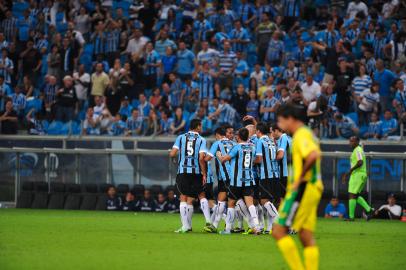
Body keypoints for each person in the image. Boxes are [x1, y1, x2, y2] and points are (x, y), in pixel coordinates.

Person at [272, 103, 323, 270]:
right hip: (313, 187)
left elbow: (313, 155)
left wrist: (299, 178)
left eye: (280, 121)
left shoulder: (301, 135)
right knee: (305, 236)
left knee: (278, 231)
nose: (279, 125)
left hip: (304, 188)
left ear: (290, 119)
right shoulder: (306, 133)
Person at [216, 127, 261, 235]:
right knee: (250, 204)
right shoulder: (252, 147)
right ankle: (257, 226)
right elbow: (257, 160)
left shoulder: (236, 147)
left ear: (239, 137)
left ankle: (227, 230)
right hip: (249, 180)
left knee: (231, 204)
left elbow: (224, 160)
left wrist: (218, 155)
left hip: (236, 181)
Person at [169, 119, 207, 233]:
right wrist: (204, 173)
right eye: (201, 126)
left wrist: (174, 159)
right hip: (195, 172)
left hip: (183, 172)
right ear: (198, 127)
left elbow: (172, 153)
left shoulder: (181, 137)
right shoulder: (201, 139)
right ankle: (191, 225)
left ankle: (185, 226)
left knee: (183, 197)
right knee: (193, 197)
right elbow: (201, 158)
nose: (202, 128)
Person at [204, 126, 235, 233]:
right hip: (235, 176)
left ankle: (254, 225)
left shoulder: (217, 144)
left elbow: (207, 158)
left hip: (227, 177)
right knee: (221, 200)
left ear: (217, 135)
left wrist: (203, 156)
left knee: (236, 202)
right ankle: (215, 225)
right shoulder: (233, 143)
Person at [254, 122, 279, 234]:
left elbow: (259, 159)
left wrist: (250, 162)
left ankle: (279, 220)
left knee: (264, 201)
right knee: (269, 202)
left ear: (259, 131)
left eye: (256, 131)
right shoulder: (271, 140)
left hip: (266, 175)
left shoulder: (260, 141)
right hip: (275, 174)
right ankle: (269, 228)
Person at [342, 136, 374, 221]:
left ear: (357, 141)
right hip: (359, 175)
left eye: (352, 141)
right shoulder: (357, 150)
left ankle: (351, 217)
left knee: (352, 195)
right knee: (355, 195)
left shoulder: (358, 150)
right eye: (350, 141)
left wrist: (349, 171)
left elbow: (360, 162)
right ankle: (369, 210)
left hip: (358, 175)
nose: (350, 143)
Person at [271, 123, 291, 202]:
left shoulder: (283, 138)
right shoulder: (285, 138)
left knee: (283, 197)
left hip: (284, 173)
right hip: (287, 172)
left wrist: (270, 159)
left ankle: (284, 214)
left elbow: (280, 155)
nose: (272, 134)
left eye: (272, 132)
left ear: (276, 131)